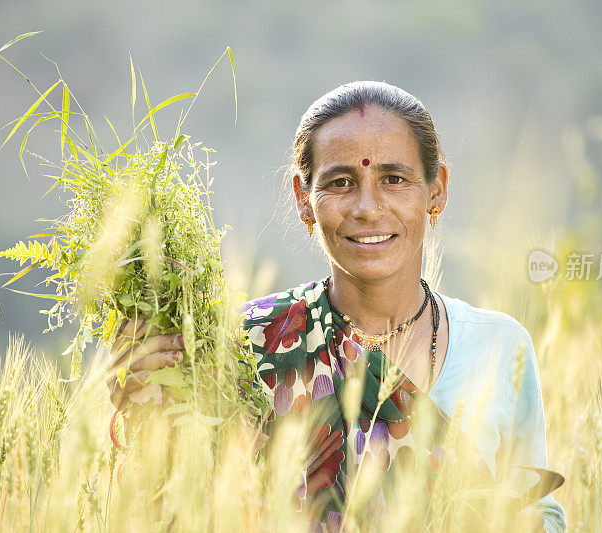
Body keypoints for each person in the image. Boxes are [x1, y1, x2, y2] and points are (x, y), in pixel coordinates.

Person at [106, 81, 566, 532]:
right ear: (304, 200)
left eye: (394, 179)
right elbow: (176, 507)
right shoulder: (244, 346)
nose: (368, 207)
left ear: (437, 189)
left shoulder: (500, 347)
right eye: (341, 182)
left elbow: (540, 515)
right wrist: (149, 413)